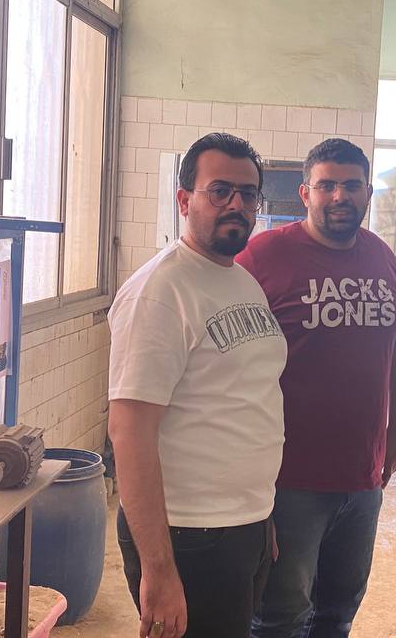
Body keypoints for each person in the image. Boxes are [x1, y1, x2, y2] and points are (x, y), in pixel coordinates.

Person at [108, 132, 287, 638]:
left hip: (243, 524)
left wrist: (259, 514)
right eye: (220, 191)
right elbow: (129, 432)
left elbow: (246, 398)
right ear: (185, 200)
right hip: (188, 535)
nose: (237, 205)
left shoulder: (240, 280)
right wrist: (159, 569)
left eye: (248, 194)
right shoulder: (159, 292)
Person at [237, 138, 396, 638]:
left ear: (368, 193)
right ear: (305, 193)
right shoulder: (263, 256)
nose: (340, 196)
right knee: (281, 615)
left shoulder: (381, 256)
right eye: (327, 185)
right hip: (289, 480)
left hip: (362, 479)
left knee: (338, 613)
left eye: (352, 185)